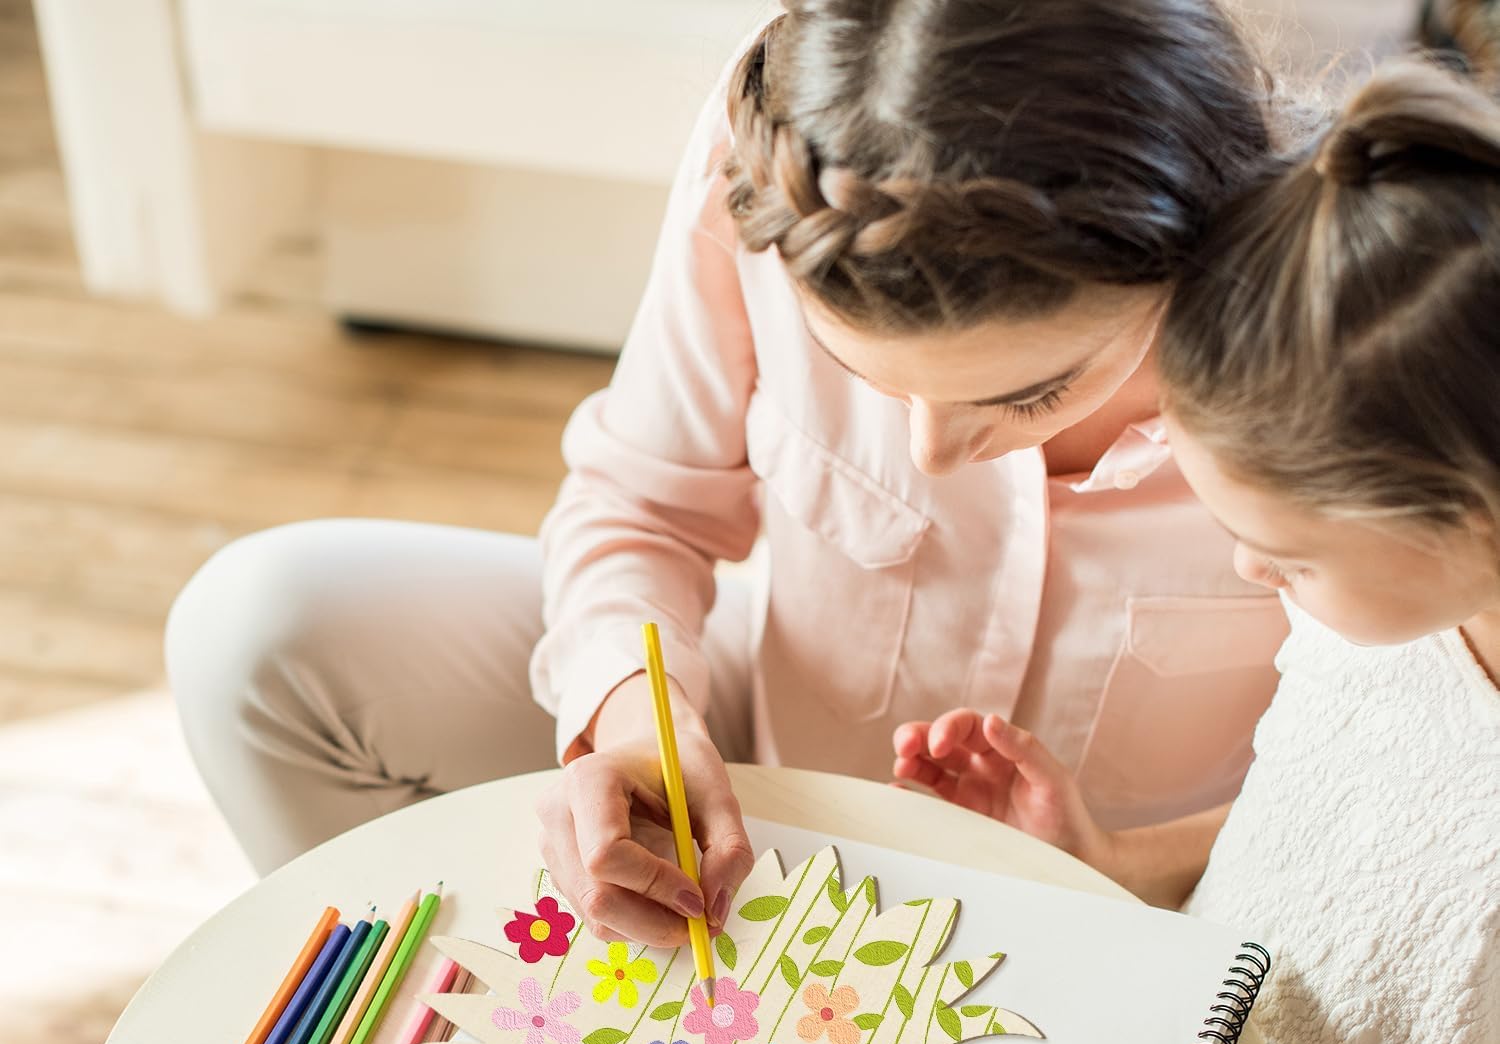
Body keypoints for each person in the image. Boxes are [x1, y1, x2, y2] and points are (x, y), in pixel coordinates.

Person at [167, 1, 1289, 930]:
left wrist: (1121, 869)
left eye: (1032, 394)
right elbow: (642, 498)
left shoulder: (1372, 324)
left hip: (1131, 909)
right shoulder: (787, 155)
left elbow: (1428, 797)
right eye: (882, 389)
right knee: (259, 627)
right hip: (773, 786)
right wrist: (634, 722)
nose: (933, 455)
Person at [896, 59, 1500, 1044]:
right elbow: (1363, 825)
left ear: (1468, 509)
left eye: (1282, 557)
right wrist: (1120, 858)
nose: (1248, 575)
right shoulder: (1394, 611)